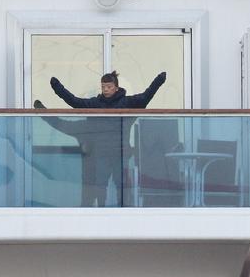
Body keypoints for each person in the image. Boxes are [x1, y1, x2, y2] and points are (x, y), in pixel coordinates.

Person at [37, 71, 166, 206]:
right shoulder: (95, 104)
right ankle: (101, 209)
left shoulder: (126, 102)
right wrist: (57, 87)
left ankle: (124, 210)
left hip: (120, 154)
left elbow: (145, 97)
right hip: (101, 154)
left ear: (116, 87)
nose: (106, 90)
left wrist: (158, 80)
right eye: (103, 87)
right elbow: (74, 102)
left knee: (122, 185)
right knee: (100, 185)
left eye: (109, 87)